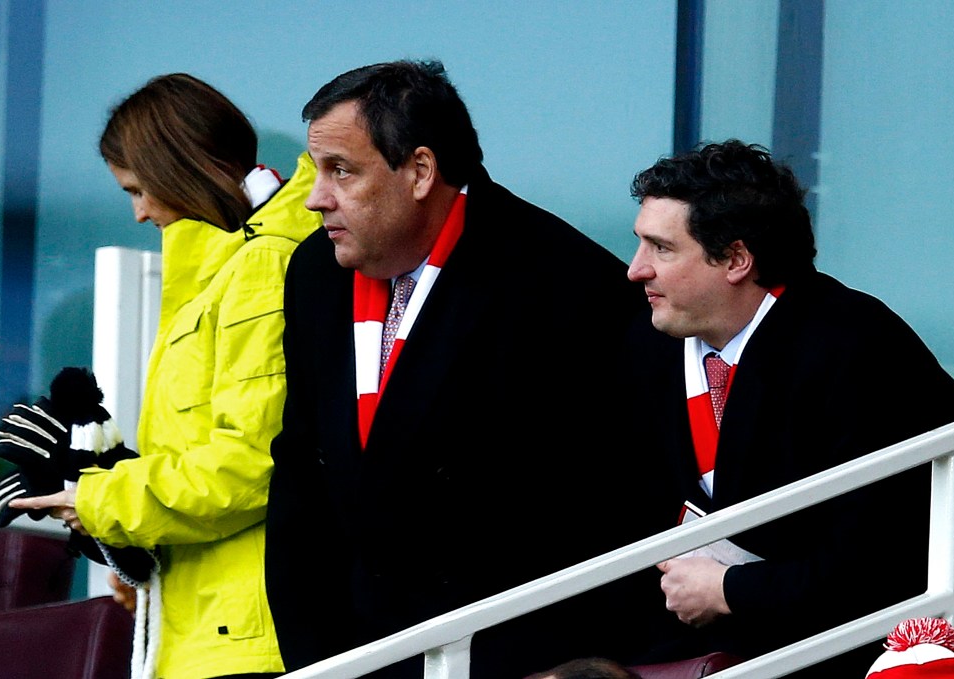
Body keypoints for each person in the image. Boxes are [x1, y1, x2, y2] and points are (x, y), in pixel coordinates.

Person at [264, 59, 674, 678]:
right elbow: (302, 473)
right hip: (352, 652)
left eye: (341, 171)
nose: (315, 199)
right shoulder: (316, 274)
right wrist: (315, 660)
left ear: (421, 171)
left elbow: (602, 498)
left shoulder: (563, 282)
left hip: (510, 653)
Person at [7, 73, 322, 679]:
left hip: (245, 639)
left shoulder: (257, 269)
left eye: (138, 189)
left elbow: (250, 465)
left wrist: (95, 499)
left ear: (179, 169)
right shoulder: (229, 267)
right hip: (214, 626)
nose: (139, 212)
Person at [621, 139, 954, 676]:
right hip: (698, 638)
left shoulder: (856, 350)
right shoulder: (650, 341)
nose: (636, 270)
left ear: (736, 259)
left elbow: (884, 558)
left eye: (662, 248)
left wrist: (731, 588)